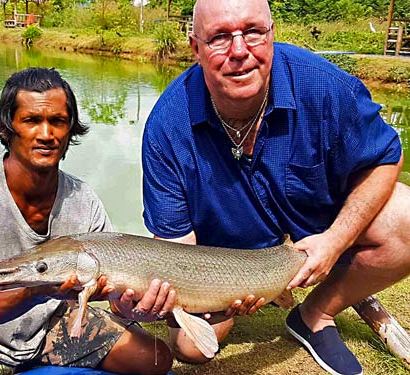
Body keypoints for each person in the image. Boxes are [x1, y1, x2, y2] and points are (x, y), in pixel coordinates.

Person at [140, 0, 410, 374]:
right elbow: (176, 250)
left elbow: (385, 158)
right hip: (223, 260)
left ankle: (315, 313)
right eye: (219, 37)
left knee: (407, 218)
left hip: (315, 237)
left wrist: (334, 242)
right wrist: (181, 300)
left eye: (253, 31)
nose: (239, 51)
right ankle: (252, 299)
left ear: (271, 33)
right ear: (195, 48)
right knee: (190, 348)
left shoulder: (324, 85)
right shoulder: (166, 126)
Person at [0, 67, 173, 375]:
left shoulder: (84, 201)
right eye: (32, 120)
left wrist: (128, 306)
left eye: (57, 121)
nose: (46, 134)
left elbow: (112, 295)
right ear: (6, 129)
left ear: (70, 130)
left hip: (46, 323)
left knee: (154, 358)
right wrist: (38, 289)